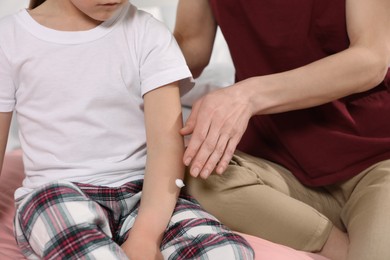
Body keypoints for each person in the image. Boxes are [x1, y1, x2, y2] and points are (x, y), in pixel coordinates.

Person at [0, 0, 255, 259]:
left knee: (228, 251)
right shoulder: (9, 38)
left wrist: (146, 235)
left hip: (141, 194)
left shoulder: (148, 33)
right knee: (72, 230)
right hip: (57, 193)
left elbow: (166, 147)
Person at [174, 0, 390, 260]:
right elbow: (191, 45)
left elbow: (371, 59)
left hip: (376, 160)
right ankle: (339, 248)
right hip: (276, 163)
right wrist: (125, 37)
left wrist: (247, 96)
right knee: (197, 173)